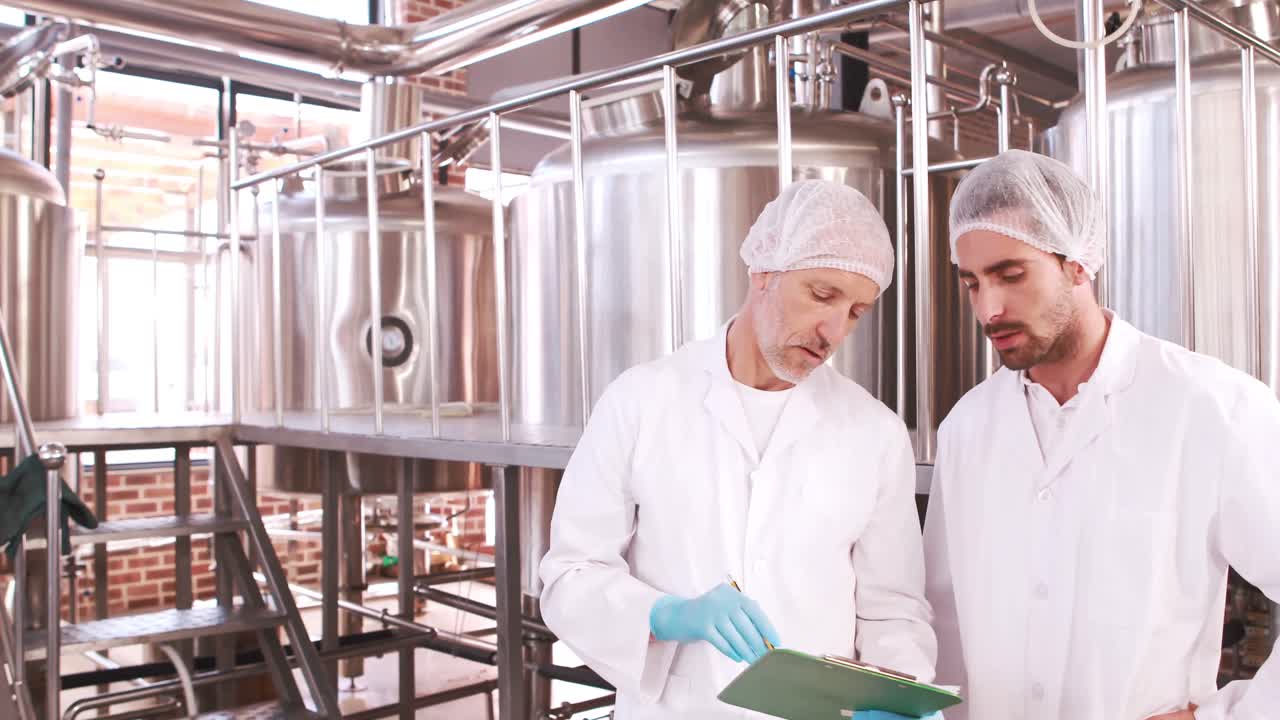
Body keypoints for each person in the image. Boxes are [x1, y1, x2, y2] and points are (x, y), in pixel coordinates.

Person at [539, 179, 940, 719]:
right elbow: (570, 576)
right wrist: (662, 614)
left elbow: (893, 610)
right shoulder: (643, 400)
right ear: (764, 272)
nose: (833, 330)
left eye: (855, 312)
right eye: (821, 295)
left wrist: (898, 693)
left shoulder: (874, 433)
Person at [924, 149, 1280, 720]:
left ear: (1078, 263)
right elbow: (942, 620)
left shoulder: (1210, 406)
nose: (990, 309)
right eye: (971, 283)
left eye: (1011, 275)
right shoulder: (966, 428)